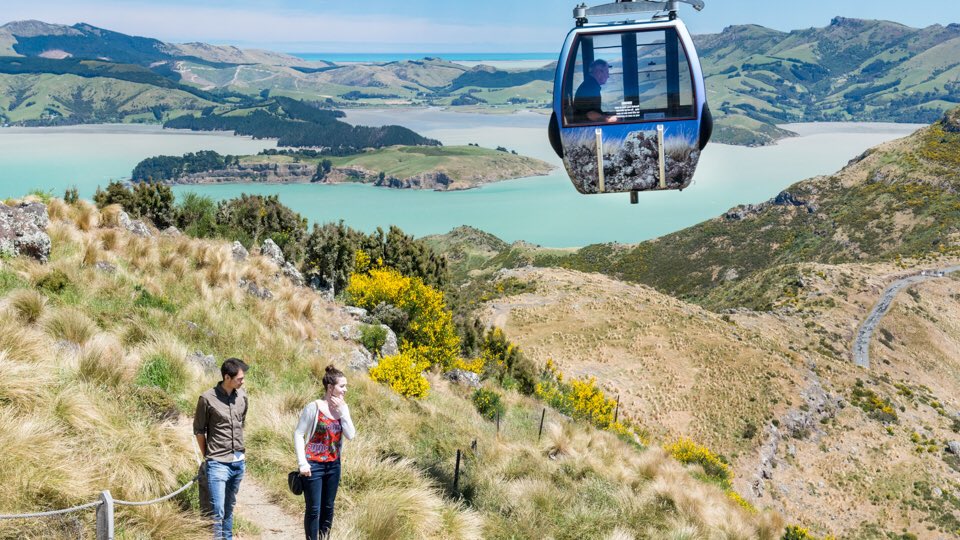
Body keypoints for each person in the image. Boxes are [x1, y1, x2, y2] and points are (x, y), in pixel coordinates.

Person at [294, 365, 356, 540]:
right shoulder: (314, 407)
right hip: (313, 465)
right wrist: (302, 463)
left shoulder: (343, 409)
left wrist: (343, 413)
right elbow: (299, 433)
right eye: (342, 386)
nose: (345, 390)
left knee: (328, 507)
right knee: (314, 509)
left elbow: (351, 435)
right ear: (330, 388)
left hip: (333, 465)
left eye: (345, 386)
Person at [194, 358, 249, 540]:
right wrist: (208, 456)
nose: (243, 381)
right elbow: (199, 431)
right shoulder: (206, 399)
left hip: (238, 463)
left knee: (228, 509)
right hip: (217, 463)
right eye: (239, 378)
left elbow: (242, 424)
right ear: (227, 377)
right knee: (216, 511)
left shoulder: (242, 397)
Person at [573, 59, 618, 123]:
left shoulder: (590, 85)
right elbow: (590, 113)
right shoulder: (590, 88)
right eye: (607, 72)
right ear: (599, 72)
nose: (608, 76)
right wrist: (608, 120)